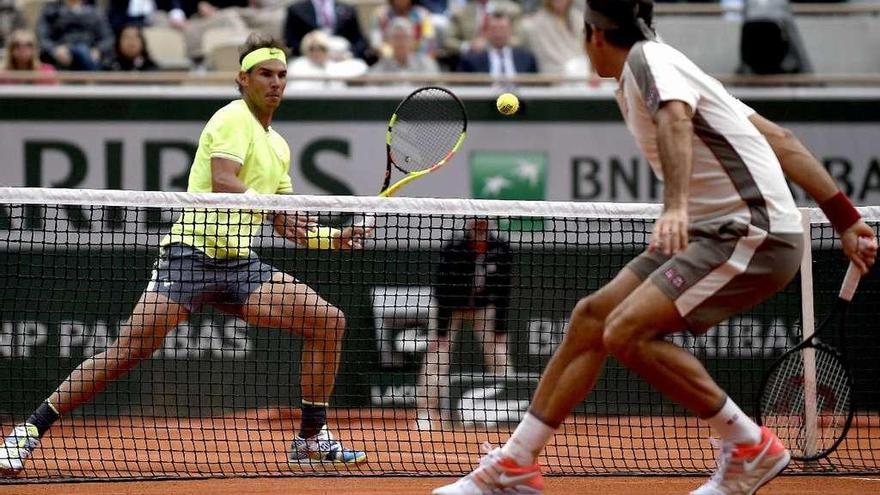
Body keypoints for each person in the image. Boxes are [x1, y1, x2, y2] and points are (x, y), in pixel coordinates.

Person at [433, 0, 878, 493]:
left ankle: (747, 445)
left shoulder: (650, 63)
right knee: (591, 319)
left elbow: (674, 120)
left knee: (626, 332)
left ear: (595, 36)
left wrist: (675, 206)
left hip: (751, 234)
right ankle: (516, 465)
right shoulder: (669, 65)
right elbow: (781, 138)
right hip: (711, 231)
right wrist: (846, 218)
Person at [0, 33, 370, 475]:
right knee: (126, 352)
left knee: (328, 321)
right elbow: (223, 180)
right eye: (265, 74)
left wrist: (333, 238)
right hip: (189, 258)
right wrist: (277, 209)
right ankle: (27, 432)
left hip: (240, 266)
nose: (275, 83)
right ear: (243, 79)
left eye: (281, 75)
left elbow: (286, 222)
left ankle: (311, 438)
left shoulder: (279, 146)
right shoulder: (232, 118)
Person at [415, 218, 513, 430]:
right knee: (436, 358)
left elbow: (504, 290)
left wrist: (500, 329)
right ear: (469, 224)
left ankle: (507, 410)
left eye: (484, 222)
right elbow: (442, 289)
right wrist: (440, 333)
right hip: (450, 308)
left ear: (490, 225)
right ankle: (426, 413)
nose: (480, 226)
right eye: (476, 222)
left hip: (484, 307)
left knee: (500, 355)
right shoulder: (454, 248)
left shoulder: (501, 249)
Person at [36, 0, 115, 71]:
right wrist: (54, 50)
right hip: (61, 55)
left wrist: (98, 50)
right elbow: (42, 36)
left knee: (82, 51)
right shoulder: (50, 10)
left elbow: (108, 37)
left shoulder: (96, 11)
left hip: (90, 53)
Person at [457, 11, 537, 77]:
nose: (498, 33)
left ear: (510, 31)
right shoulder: (472, 60)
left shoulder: (527, 58)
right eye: (494, 28)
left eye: (502, 28)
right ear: (486, 32)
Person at [284, 0, 368, 59]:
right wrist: (311, 52)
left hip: (342, 61)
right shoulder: (296, 10)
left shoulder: (348, 9)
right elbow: (290, 41)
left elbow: (359, 40)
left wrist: (348, 54)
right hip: (308, 62)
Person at [521, 0, 585, 74]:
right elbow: (546, 57)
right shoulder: (537, 23)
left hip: (583, 72)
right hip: (556, 76)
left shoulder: (579, 18)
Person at [369, 17, 439, 80]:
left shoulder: (427, 65)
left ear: (412, 40)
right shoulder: (378, 70)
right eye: (396, 37)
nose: (401, 42)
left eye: (405, 37)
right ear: (389, 41)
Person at [368, 0, 436, 58]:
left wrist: (413, 57)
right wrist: (393, 55)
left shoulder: (423, 15)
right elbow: (376, 42)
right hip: (388, 62)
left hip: (419, 59)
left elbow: (429, 40)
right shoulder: (380, 15)